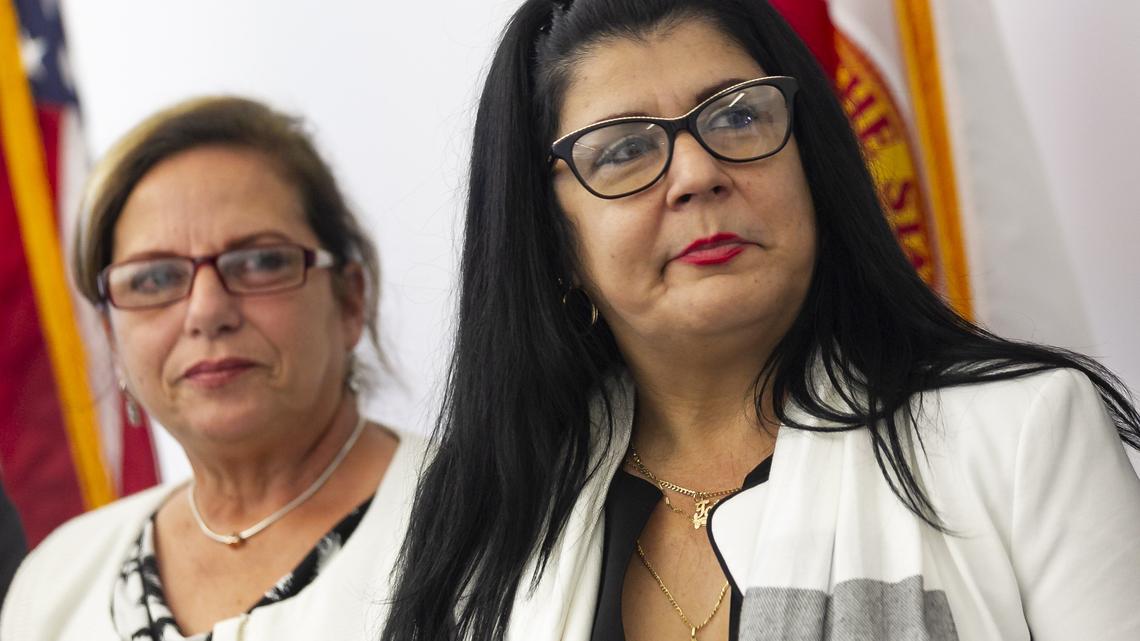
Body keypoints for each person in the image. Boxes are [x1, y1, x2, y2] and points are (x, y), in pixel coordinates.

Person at [381, 1, 1140, 640]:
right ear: (555, 241)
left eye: (738, 116)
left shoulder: (1023, 431)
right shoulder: (488, 511)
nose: (698, 172)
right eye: (624, 151)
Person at [1, 96, 425, 641]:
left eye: (259, 262)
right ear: (112, 338)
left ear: (349, 301)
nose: (206, 311)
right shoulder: (57, 581)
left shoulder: (509, 534)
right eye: (154, 279)